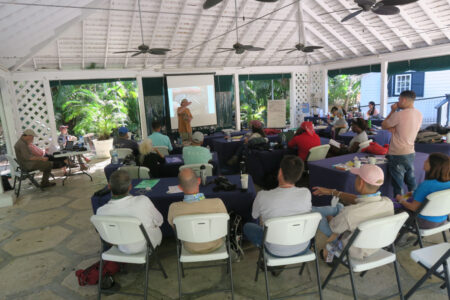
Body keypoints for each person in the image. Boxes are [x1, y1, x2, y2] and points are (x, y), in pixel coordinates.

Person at [243, 156, 311, 275]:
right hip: (302, 247)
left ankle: (273, 257)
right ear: (299, 176)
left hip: (275, 250)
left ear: (280, 172)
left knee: (248, 227)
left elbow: (254, 215)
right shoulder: (306, 193)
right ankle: (280, 260)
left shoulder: (262, 196)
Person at [311, 164, 394, 261]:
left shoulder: (350, 213)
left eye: (356, 177)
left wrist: (330, 217)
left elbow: (333, 227)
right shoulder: (388, 203)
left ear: (361, 183)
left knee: (317, 214)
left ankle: (330, 255)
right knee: (341, 208)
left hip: (354, 250)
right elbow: (359, 200)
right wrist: (332, 192)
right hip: (376, 245)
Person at [97, 170, 163, 254]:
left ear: (109, 186)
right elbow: (160, 221)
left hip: (122, 248)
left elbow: (105, 237)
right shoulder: (143, 200)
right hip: (147, 245)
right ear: (130, 187)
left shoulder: (101, 212)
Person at [167, 168, 227, 253]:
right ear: (199, 181)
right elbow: (224, 226)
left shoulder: (173, 208)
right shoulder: (217, 203)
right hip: (216, 245)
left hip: (190, 248)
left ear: (180, 187)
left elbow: (175, 229)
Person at [382, 90, 423, 198]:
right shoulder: (419, 114)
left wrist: (392, 111)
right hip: (410, 151)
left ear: (404, 100)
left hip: (397, 153)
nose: (398, 102)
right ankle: (415, 203)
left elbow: (384, 125)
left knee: (398, 185)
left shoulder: (399, 114)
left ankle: (399, 208)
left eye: (399, 99)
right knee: (411, 182)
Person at [396, 153, 450, 229]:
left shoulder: (426, 185)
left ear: (434, 166)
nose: (424, 162)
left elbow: (413, 207)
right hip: (442, 220)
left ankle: (401, 239)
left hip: (423, 222)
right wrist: (413, 194)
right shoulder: (448, 183)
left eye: (427, 161)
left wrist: (401, 200)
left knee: (395, 212)